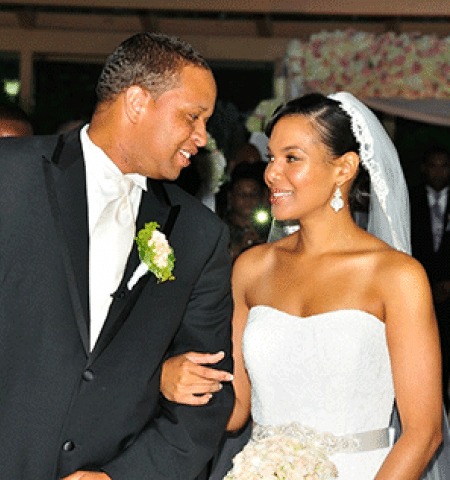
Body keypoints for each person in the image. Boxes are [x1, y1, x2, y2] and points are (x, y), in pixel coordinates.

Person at [160, 92, 445, 479]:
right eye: (271, 158)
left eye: (291, 158)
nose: (271, 174)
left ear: (344, 168)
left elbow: (424, 433)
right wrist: (170, 380)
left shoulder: (397, 276)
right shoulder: (251, 268)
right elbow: (235, 409)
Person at [0, 32, 234, 480]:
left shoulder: (198, 235)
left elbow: (208, 396)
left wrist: (121, 476)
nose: (202, 137)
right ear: (137, 102)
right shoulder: (10, 175)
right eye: (192, 117)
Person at [410, 146, 450, 411]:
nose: (438, 172)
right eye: (433, 165)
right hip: (417, 286)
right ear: (424, 168)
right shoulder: (410, 199)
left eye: (444, 165)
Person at [222, 160, 270, 261]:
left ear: (262, 196)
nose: (247, 198)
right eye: (241, 193)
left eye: (253, 194)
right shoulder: (220, 229)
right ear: (230, 196)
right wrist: (238, 249)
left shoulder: (271, 229)